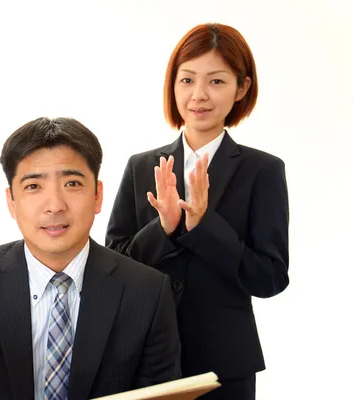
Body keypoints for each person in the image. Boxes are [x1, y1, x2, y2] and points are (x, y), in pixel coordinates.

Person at [0, 117, 181, 399]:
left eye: (72, 183)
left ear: (97, 196)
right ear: (11, 202)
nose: (54, 205)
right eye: (33, 187)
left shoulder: (148, 292)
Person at [105, 23, 289, 400]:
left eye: (217, 82)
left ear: (242, 88)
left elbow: (270, 278)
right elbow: (111, 268)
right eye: (186, 80)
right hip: (145, 357)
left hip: (225, 365)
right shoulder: (142, 166)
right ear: (172, 85)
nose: (198, 95)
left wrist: (205, 226)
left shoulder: (263, 171)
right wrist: (165, 229)